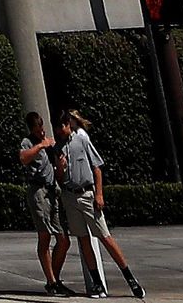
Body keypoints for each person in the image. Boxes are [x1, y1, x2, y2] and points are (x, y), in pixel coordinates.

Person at [60, 110, 142, 300]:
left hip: (87, 193)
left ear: (68, 125)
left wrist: (99, 193)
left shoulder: (81, 139)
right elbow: (59, 177)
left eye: (62, 127)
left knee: (105, 236)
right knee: (83, 238)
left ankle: (130, 278)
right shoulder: (59, 147)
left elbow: (97, 167)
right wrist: (60, 167)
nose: (60, 131)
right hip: (70, 195)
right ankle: (97, 283)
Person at [18, 112, 73, 296]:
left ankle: (54, 278)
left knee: (63, 239)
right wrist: (41, 145)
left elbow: (56, 170)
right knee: (45, 236)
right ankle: (51, 281)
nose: (41, 132)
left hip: (52, 191)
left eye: (42, 128)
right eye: (37, 129)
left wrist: (61, 167)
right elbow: (23, 158)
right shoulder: (28, 142)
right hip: (38, 192)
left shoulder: (50, 144)